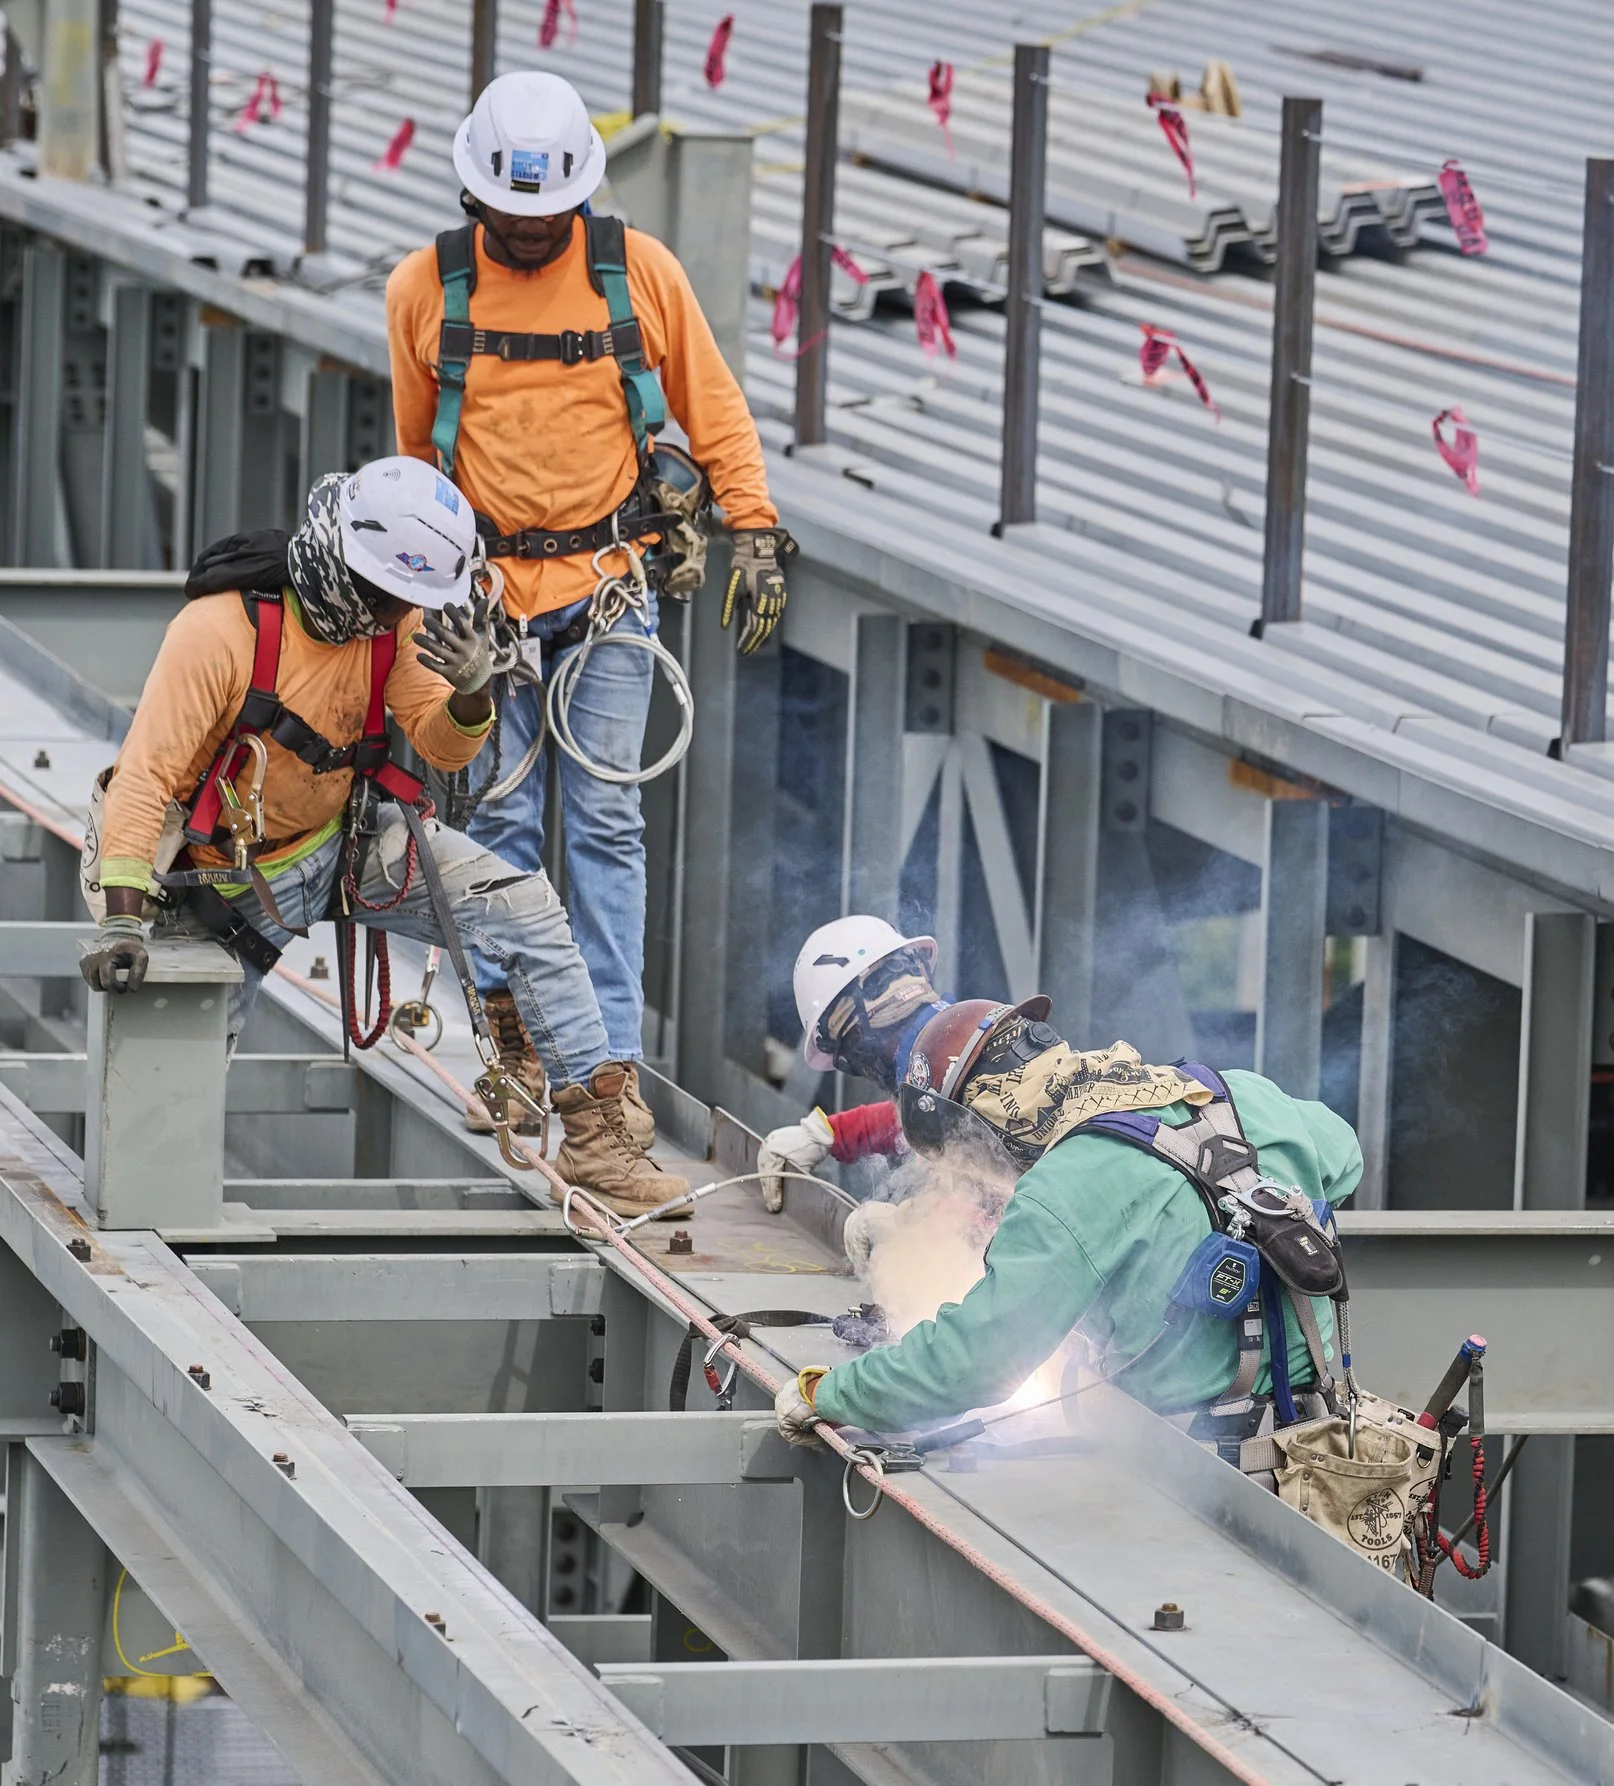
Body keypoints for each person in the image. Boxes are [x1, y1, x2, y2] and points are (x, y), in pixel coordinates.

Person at [79, 457, 690, 1215]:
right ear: (342, 564)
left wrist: (473, 692)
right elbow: (145, 778)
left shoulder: (388, 629)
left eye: (407, 601)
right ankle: (148, 1217)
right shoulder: (217, 633)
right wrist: (126, 918)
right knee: (162, 1103)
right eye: (386, 597)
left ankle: (600, 1146)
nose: (395, 614)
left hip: (342, 845)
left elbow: (439, 745)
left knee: (525, 909)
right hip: (221, 883)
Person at [383, 69, 792, 1136]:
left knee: (607, 822)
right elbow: (416, 457)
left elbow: (714, 409)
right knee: (503, 825)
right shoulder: (425, 291)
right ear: (479, 199)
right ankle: (520, 1054)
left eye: (546, 218)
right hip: (488, 606)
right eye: (512, 219)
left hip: (608, 590)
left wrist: (752, 529)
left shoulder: (634, 275)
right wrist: (417, 599)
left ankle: (605, 1065)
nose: (529, 236)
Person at [766, 916, 1363, 1444]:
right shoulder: (1225, 1091)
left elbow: (973, 1362)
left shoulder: (1061, 1189)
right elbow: (1345, 1156)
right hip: (1326, 1436)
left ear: (976, 1130)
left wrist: (832, 1394)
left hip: (1199, 1472)